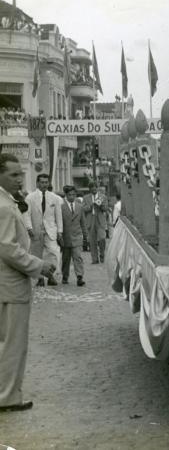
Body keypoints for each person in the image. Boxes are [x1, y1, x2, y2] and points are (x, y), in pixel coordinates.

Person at [0, 153, 55, 412]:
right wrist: (39, 266)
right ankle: (8, 397)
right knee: (13, 344)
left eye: (20, 174)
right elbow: (9, 249)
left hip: (7, 287)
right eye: (13, 175)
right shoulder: (3, 206)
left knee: (6, 343)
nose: (19, 179)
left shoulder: (7, 202)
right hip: (11, 287)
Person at [23, 173, 63, 286]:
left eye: (46, 182)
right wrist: (29, 227)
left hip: (51, 230)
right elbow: (26, 213)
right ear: (37, 183)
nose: (44, 184)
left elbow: (58, 215)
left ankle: (50, 276)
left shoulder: (54, 198)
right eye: (42, 182)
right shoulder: (30, 198)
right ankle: (40, 278)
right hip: (35, 230)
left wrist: (60, 231)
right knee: (36, 255)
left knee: (54, 253)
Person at [60, 186, 87, 286]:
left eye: (74, 195)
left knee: (78, 257)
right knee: (66, 259)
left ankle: (79, 277)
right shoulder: (61, 206)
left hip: (77, 235)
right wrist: (59, 236)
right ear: (66, 195)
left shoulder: (79, 206)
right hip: (65, 236)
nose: (72, 197)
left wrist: (85, 236)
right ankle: (65, 276)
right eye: (70, 195)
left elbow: (83, 222)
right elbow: (59, 222)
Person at [82, 183, 108, 264]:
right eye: (92, 188)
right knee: (92, 241)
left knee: (102, 238)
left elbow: (106, 208)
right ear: (89, 189)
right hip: (90, 219)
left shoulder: (103, 196)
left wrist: (101, 206)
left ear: (97, 188)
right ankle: (95, 259)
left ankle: (102, 255)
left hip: (100, 219)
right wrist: (90, 206)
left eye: (95, 187)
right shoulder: (86, 197)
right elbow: (83, 209)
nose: (94, 189)